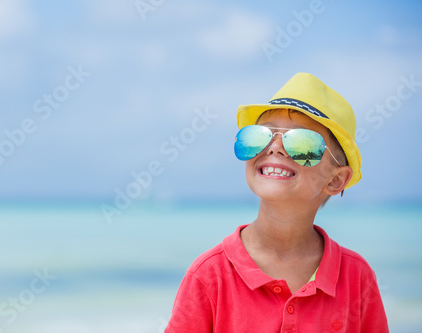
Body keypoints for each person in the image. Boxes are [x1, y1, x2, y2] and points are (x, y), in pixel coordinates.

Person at [164, 73, 389, 332]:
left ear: (336, 180)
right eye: (261, 136)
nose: (275, 148)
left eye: (302, 142)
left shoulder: (356, 278)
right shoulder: (210, 275)